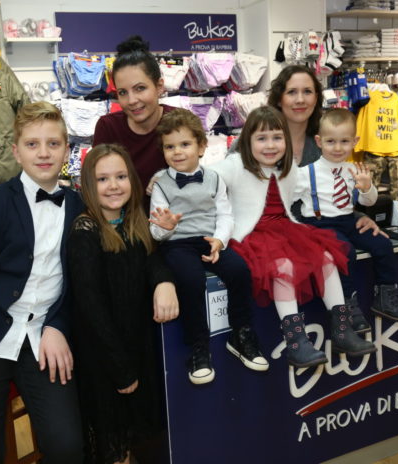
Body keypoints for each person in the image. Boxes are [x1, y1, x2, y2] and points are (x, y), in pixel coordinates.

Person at [0, 101, 84, 464]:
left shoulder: (78, 205)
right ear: (16, 152)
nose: (43, 153)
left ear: (66, 150)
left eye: (53, 144)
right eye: (32, 144)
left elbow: (80, 284)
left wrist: (58, 324)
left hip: (44, 338)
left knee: (69, 447)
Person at [210, 106, 376, 368]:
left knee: (326, 257)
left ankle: (342, 330)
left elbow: (326, 197)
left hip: (287, 230)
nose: (270, 145)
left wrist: (358, 214)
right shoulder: (235, 165)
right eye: (261, 138)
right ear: (247, 141)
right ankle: (296, 342)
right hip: (251, 235)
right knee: (283, 267)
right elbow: (204, 177)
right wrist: (165, 180)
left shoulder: (291, 169)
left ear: (286, 141)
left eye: (277, 137)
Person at [68, 143, 178, 464]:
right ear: (88, 185)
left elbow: (150, 258)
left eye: (120, 176)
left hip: (135, 346)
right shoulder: (85, 231)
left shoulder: (133, 220)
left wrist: (164, 281)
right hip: (106, 358)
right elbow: (91, 308)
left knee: (135, 437)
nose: (113, 186)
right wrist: (120, 368)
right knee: (114, 443)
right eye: (102, 179)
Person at [149, 108, 268, 384]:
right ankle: (198, 347)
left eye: (185, 144)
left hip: (208, 239)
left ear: (202, 147)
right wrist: (165, 227)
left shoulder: (214, 178)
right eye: (169, 147)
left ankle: (241, 334)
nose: (177, 152)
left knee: (239, 270)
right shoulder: (161, 184)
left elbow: (225, 214)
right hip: (177, 243)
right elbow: (156, 232)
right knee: (191, 279)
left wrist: (219, 240)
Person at [268, 64, 388, 331]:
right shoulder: (262, 138)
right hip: (281, 234)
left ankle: (354, 314)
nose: (300, 99)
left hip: (328, 231)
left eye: (307, 91)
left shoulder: (327, 141)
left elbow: (338, 193)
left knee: (371, 247)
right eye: (292, 92)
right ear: (279, 97)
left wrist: (358, 214)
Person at [294, 109, 398, 324]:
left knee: (383, 245)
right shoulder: (305, 173)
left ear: (355, 142)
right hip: (320, 225)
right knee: (345, 251)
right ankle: (346, 305)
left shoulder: (355, 169)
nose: (338, 148)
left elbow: (368, 202)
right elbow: (285, 200)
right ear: (319, 141)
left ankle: (385, 297)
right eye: (331, 141)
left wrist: (367, 187)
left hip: (349, 221)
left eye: (344, 141)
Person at [93, 35, 175, 204]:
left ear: (159, 86)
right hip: (122, 218)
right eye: (123, 92)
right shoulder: (108, 127)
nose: (131, 100)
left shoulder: (179, 122)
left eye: (140, 88)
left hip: (175, 217)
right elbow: (97, 185)